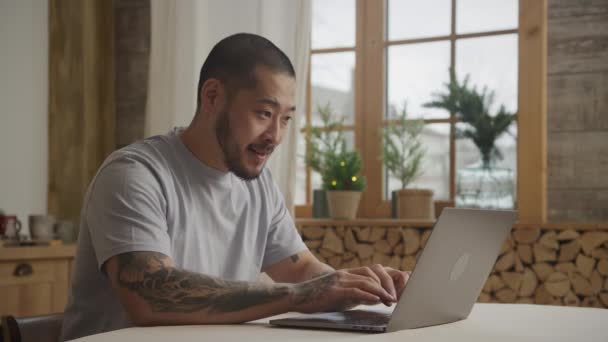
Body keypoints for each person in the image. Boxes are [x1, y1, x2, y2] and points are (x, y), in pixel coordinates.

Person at [61, 33, 410, 341]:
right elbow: (151, 293)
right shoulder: (134, 174)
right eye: (263, 113)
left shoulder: (258, 185)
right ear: (212, 97)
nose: (275, 136)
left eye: (286, 118)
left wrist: (358, 287)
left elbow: (301, 268)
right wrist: (303, 294)